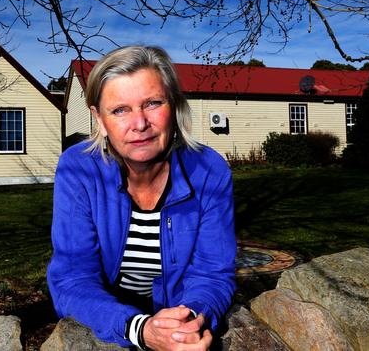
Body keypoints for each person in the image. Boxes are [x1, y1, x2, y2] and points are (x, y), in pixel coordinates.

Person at [47, 45, 236, 351]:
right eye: (120, 110)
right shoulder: (79, 170)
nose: (139, 124)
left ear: (173, 105)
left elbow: (213, 273)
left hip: (180, 321)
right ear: (99, 118)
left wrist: (186, 323)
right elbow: (72, 278)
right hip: (110, 322)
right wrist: (139, 328)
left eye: (152, 103)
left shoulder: (209, 171)